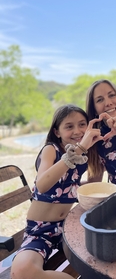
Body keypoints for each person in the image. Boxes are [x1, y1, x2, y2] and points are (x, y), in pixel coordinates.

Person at [11, 104, 103, 279]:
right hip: (40, 230)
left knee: (104, 252)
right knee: (21, 272)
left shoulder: (83, 156)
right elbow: (42, 185)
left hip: (68, 226)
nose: (77, 131)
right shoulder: (51, 150)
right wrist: (80, 149)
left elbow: (90, 183)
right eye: (69, 126)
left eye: (82, 124)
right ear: (57, 132)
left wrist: (98, 152)